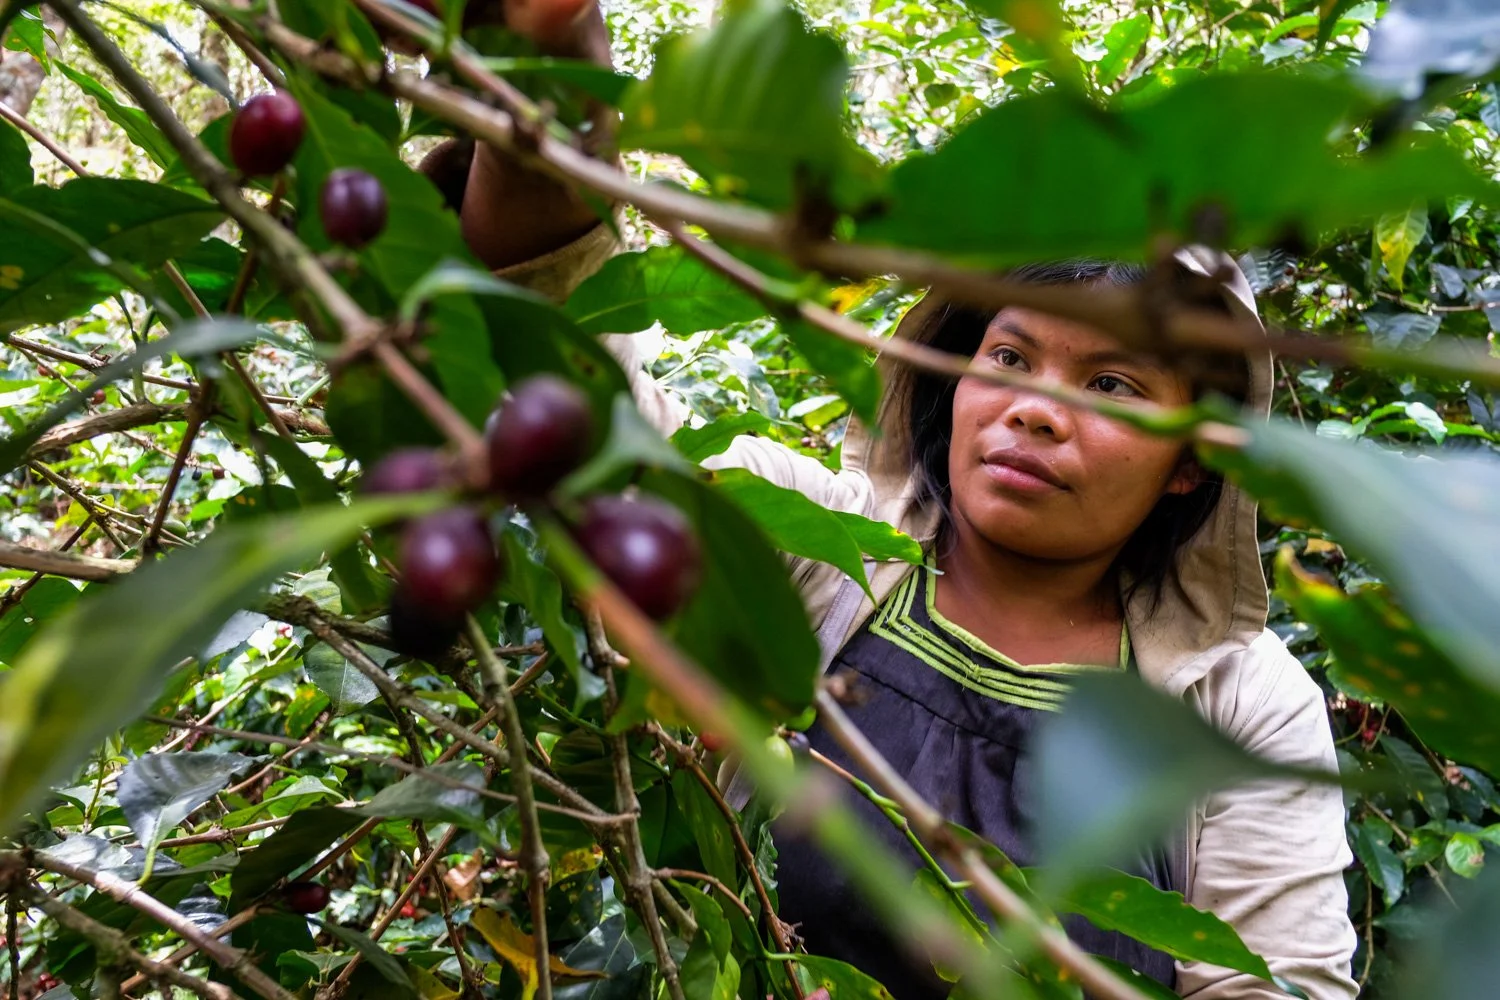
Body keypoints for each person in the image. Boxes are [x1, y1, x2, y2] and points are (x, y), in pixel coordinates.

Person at [433, 2, 1358, 997]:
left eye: (1114, 387)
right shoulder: (817, 550)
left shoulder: (1242, 705)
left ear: (1190, 460)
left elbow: (1278, 985)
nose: (1037, 411)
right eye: (1010, 356)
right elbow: (571, 383)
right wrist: (549, 81)